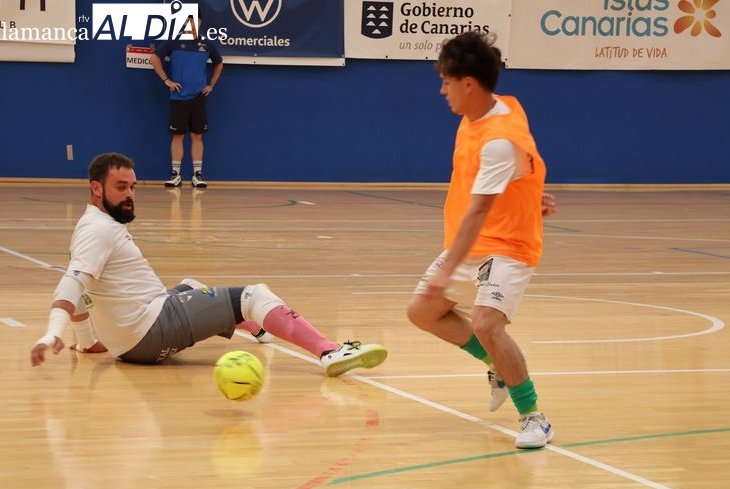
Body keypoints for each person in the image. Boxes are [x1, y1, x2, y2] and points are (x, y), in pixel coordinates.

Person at [30, 152, 388, 379]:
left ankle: (260, 328)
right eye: (121, 187)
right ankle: (330, 352)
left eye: (133, 187)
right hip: (151, 331)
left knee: (190, 284)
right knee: (253, 295)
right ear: (96, 188)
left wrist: (88, 341)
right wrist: (52, 332)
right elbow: (72, 285)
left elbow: (83, 289)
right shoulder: (99, 230)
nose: (130, 195)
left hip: (128, 343)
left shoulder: (88, 224)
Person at [406, 31, 555, 449]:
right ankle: (498, 365)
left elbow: (478, 210)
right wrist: (530, 191)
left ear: (468, 83)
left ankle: (533, 416)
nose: (442, 90)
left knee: (487, 323)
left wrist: (448, 270)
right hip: (474, 240)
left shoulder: (498, 140)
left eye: (446, 81)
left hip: (508, 244)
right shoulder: (490, 112)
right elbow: (525, 163)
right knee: (422, 312)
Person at [150, 8, 223, 189]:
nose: (193, 24)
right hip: (179, 97)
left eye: (196, 21)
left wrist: (211, 84)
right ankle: (175, 175)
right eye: (189, 21)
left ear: (200, 23)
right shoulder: (173, 42)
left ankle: (197, 175)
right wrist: (166, 80)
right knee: (178, 136)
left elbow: (219, 63)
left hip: (199, 97)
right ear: (184, 23)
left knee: (197, 136)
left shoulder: (206, 44)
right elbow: (154, 58)